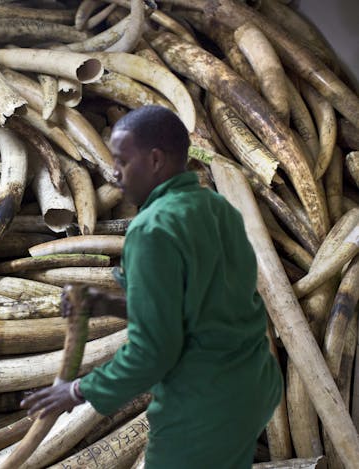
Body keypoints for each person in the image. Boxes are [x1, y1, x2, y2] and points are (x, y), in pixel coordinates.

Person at [20, 105, 283, 469]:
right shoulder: (217, 207)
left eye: (122, 161)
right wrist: (106, 304)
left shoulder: (151, 230)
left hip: (202, 408)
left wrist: (77, 391)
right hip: (253, 386)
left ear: (156, 160)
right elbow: (194, 307)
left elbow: (154, 351)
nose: (114, 173)